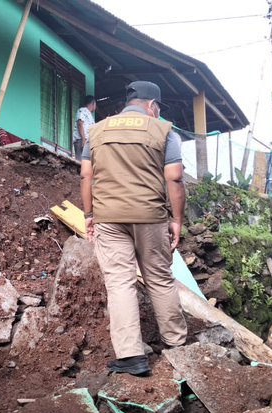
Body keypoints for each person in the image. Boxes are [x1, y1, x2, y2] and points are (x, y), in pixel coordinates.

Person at [79, 81, 187, 376]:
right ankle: (177, 345)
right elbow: (175, 179)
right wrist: (176, 220)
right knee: (160, 278)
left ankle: (130, 356)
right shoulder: (164, 131)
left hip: (108, 217)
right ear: (153, 105)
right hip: (150, 216)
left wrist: (89, 214)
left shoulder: (97, 130)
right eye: (157, 109)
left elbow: (86, 175)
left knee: (119, 283)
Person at [73, 95, 96, 160]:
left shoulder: (90, 115)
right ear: (93, 103)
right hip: (81, 140)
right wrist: (83, 139)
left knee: (85, 161)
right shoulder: (82, 110)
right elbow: (80, 123)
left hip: (87, 141)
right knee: (80, 161)